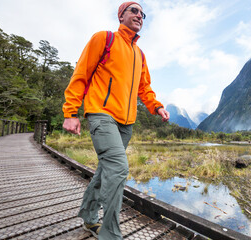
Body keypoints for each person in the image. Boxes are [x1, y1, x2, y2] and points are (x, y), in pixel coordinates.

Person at [62, 2, 170, 239]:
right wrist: (70, 112)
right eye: (134, 10)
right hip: (101, 114)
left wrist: (157, 106)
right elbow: (81, 74)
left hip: (126, 123)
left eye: (143, 13)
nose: (139, 15)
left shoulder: (140, 55)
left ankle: (89, 218)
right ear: (121, 15)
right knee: (119, 169)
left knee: (106, 171)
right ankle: (110, 235)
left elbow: (145, 89)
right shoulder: (105, 39)